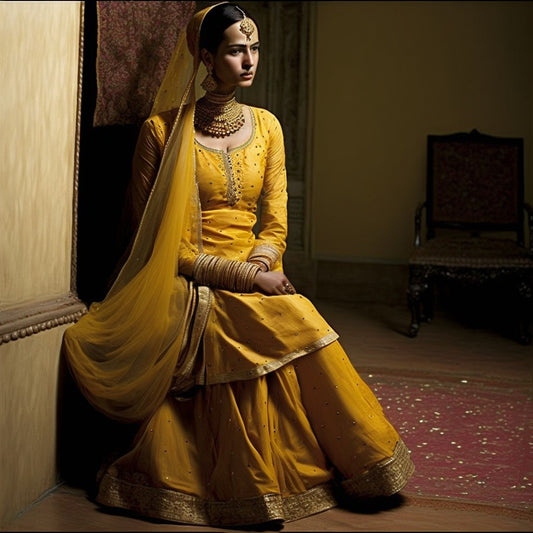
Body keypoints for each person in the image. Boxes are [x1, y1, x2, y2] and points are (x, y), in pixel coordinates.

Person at [62, 2, 415, 528]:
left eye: (254, 49)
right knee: (267, 317)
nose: (250, 60)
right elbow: (161, 248)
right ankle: (245, 489)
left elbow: (274, 223)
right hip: (186, 283)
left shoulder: (267, 126)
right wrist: (251, 278)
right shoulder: (162, 132)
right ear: (205, 57)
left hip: (254, 270)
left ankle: (361, 464)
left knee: (296, 317)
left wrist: (261, 263)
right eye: (235, 50)